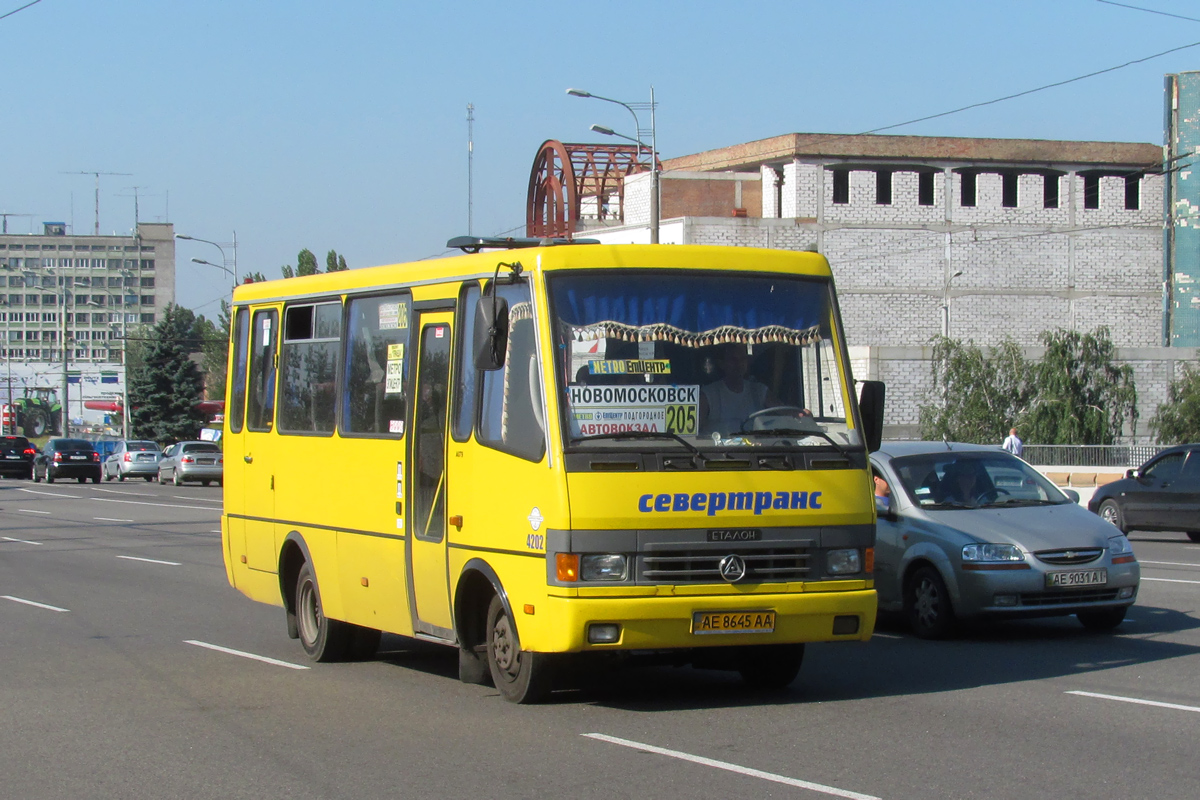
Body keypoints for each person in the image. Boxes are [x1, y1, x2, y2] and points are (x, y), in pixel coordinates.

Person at [699, 344, 781, 435]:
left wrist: (797, 417)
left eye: (743, 359)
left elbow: (785, 412)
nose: (739, 364)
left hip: (758, 447)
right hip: (718, 448)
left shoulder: (759, 391)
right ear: (721, 363)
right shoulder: (708, 394)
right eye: (733, 359)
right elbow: (696, 428)